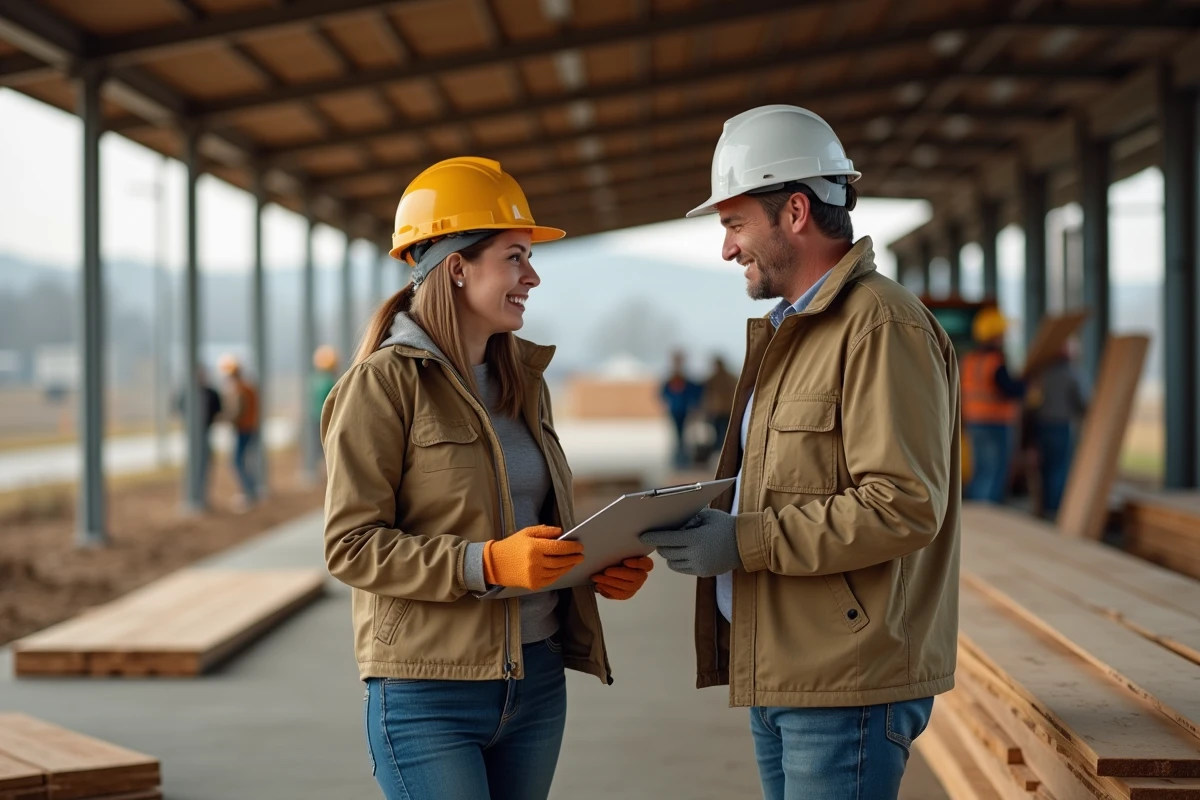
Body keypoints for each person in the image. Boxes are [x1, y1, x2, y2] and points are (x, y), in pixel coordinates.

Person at [639, 105, 961, 800]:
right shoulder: (800, 331)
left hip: (846, 684)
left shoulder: (879, 325)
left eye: (733, 225)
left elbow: (903, 506)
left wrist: (744, 541)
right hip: (791, 667)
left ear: (793, 212)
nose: (726, 249)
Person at [320, 156, 654, 800]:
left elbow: (530, 522)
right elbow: (350, 545)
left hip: (536, 680)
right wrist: (488, 564)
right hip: (427, 693)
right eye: (515, 257)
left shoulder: (522, 382)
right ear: (456, 267)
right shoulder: (381, 386)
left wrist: (596, 564)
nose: (532, 276)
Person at [961, 307, 1025, 504]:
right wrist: (1026, 383)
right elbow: (1011, 390)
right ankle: (990, 514)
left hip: (974, 421)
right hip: (996, 422)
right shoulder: (996, 362)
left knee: (980, 469)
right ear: (996, 335)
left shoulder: (969, 360)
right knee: (995, 470)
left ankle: (977, 517)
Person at [1033, 343, 1088, 516]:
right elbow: (1081, 400)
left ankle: (1044, 506)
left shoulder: (1042, 373)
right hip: (1060, 425)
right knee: (1059, 468)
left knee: (1045, 468)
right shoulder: (1072, 373)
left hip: (1041, 425)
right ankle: (1054, 508)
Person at [217, 354, 262, 509]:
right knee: (243, 461)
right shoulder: (248, 386)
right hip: (249, 428)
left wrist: (220, 418)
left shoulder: (240, 389)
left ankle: (248, 493)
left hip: (243, 429)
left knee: (237, 462)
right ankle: (252, 491)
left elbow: (237, 412)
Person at [175, 366, 222, 505]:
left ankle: (202, 496)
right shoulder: (186, 392)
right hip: (190, 435)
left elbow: (218, 410)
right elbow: (177, 409)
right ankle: (190, 495)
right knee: (190, 465)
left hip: (206, 432)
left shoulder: (211, 392)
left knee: (204, 465)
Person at [661, 350, 702, 469]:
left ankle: (683, 458)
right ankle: (680, 459)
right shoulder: (671, 380)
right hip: (675, 411)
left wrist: (694, 405)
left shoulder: (685, 380)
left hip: (684, 411)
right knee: (678, 435)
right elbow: (663, 393)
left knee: (683, 435)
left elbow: (695, 392)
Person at [702, 355, 738, 461]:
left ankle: (723, 455)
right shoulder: (715, 379)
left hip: (723, 411)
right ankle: (722, 455)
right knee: (720, 434)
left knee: (722, 434)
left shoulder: (720, 378)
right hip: (720, 411)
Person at [310, 345, 338, 468]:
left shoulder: (315, 380)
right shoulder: (329, 381)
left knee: (319, 445)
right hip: (328, 418)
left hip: (317, 417)